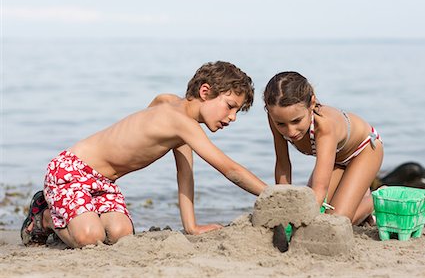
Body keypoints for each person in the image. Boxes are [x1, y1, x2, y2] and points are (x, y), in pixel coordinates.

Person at [21, 61, 267, 248]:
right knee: (90, 238)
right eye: (230, 106)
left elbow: (185, 174)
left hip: (104, 183)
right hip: (71, 170)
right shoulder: (181, 123)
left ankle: (79, 212)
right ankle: (45, 217)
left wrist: (191, 227)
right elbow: (230, 170)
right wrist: (273, 194)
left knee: (120, 235)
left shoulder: (172, 107)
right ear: (205, 91)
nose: (232, 117)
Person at [263, 71, 383, 225]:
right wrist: (283, 207)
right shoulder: (276, 117)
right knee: (320, 213)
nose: (290, 131)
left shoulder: (324, 126)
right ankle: (357, 196)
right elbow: (283, 165)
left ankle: (375, 199)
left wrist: (300, 222)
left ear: (312, 104)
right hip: (336, 159)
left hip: (364, 150)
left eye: (296, 121)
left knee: (335, 221)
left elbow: (319, 188)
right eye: (281, 124)